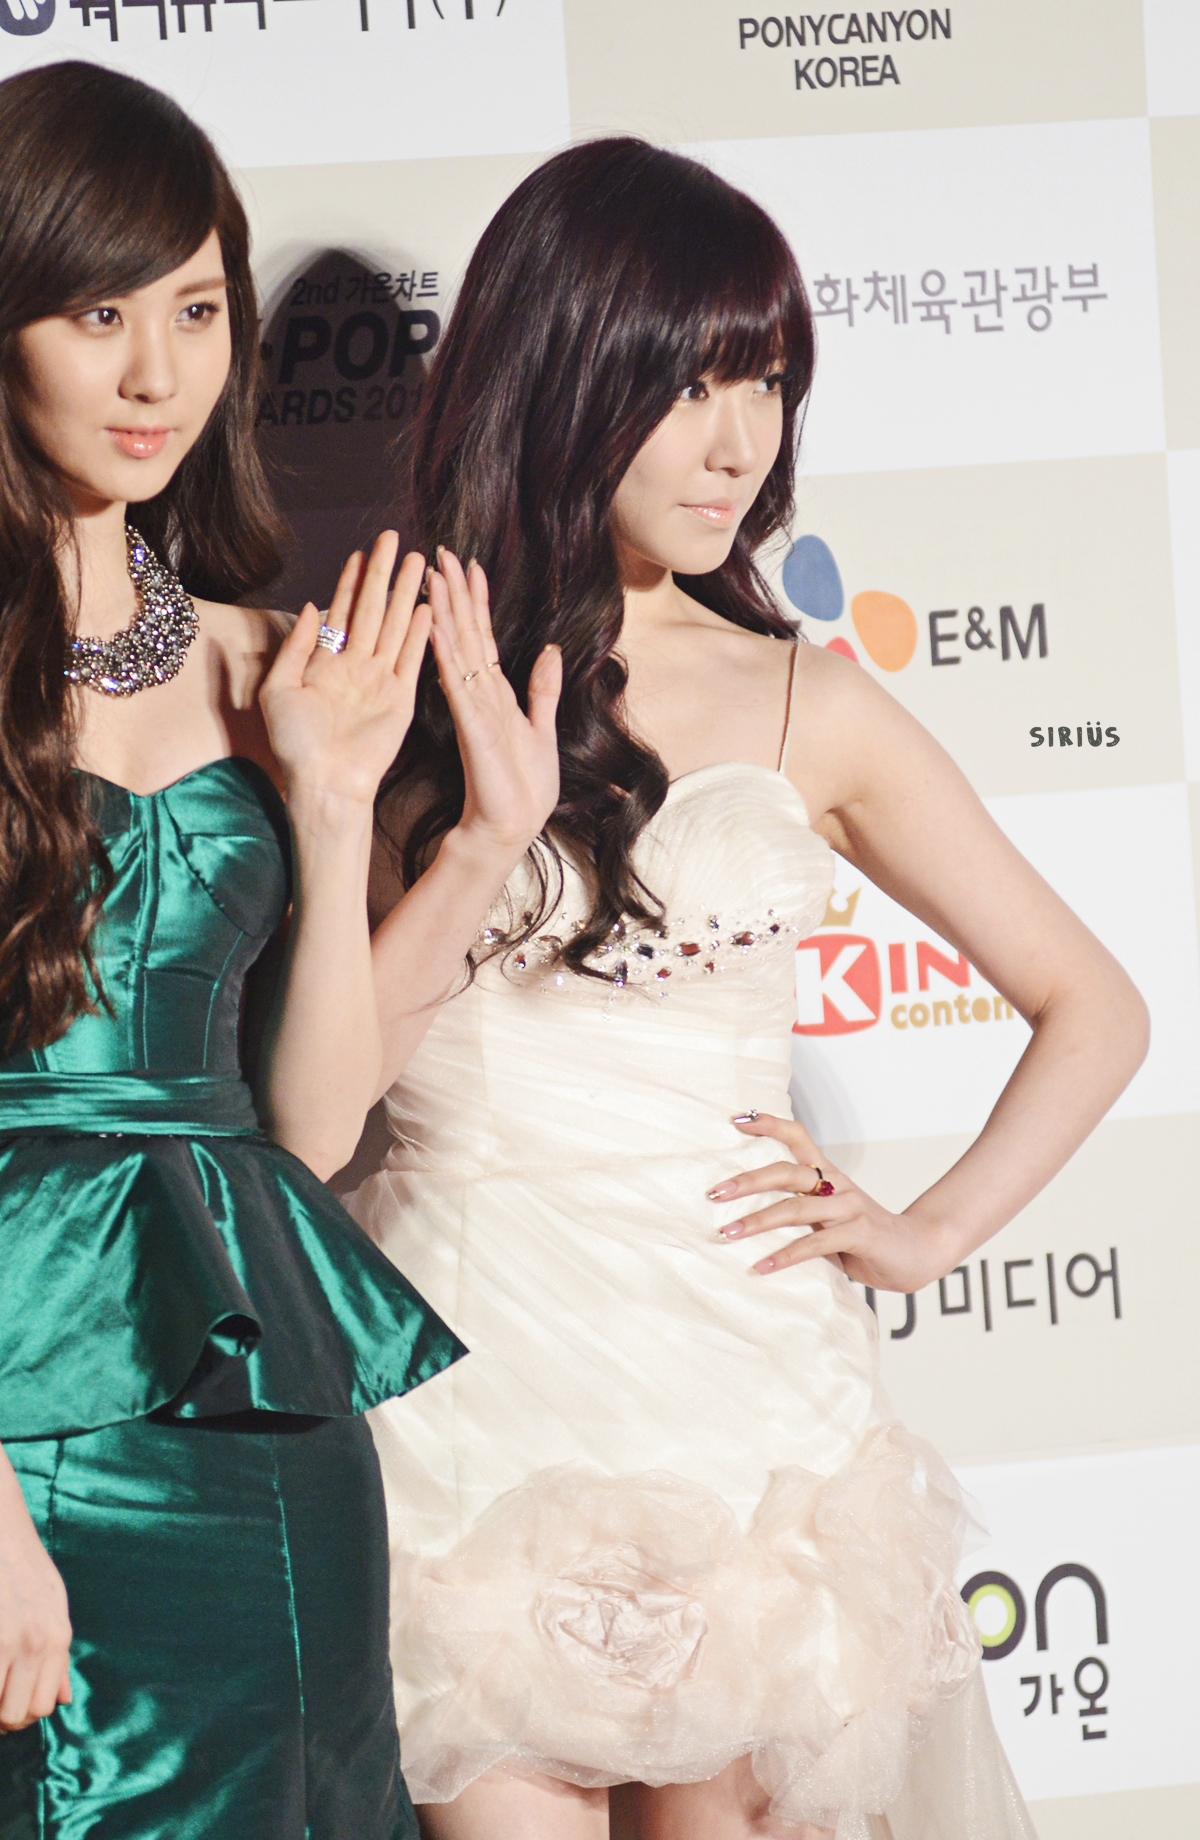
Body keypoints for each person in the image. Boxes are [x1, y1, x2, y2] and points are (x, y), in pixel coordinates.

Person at [352, 139, 1149, 1840]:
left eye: (769, 383)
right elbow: (325, 1087)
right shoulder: (389, 685)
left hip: (741, 1398)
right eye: (691, 383)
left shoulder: (810, 704)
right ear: (566, 374)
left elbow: (1096, 1005)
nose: (741, 442)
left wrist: (922, 1235)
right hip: (469, 1394)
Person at [0, 61, 559, 1839]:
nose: (157, 376)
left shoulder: (271, 662)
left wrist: (345, 807)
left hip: (267, 1409)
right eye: (99, 314)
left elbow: (305, 1133)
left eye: (195, 310)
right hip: (27, 1421)